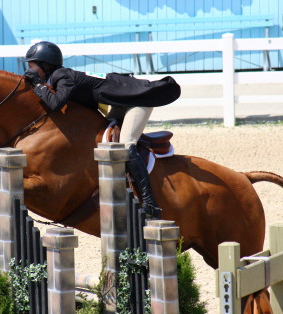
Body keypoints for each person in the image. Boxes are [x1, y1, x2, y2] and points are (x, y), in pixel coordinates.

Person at [23, 41, 181, 218]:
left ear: (45, 65)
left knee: (125, 146)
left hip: (136, 102)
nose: (29, 70)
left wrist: (37, 84)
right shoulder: (55, 78)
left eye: (31, 65)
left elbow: (55, 103)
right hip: (118, 105)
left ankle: (150, 203)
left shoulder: (63, 76)